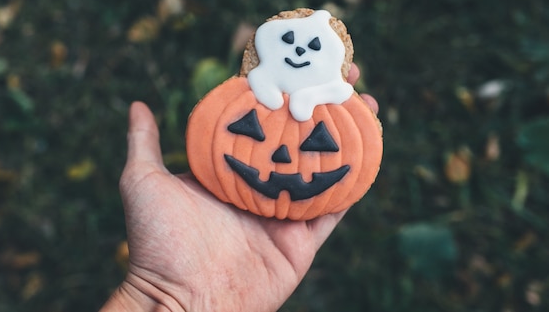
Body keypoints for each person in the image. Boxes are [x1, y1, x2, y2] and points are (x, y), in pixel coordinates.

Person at [100, 64, 378, 312]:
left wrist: (168, 298)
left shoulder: (339, 113)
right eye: (249, 129)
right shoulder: (243, 96)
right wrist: (169, 294)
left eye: (318, 141)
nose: (282, 157)